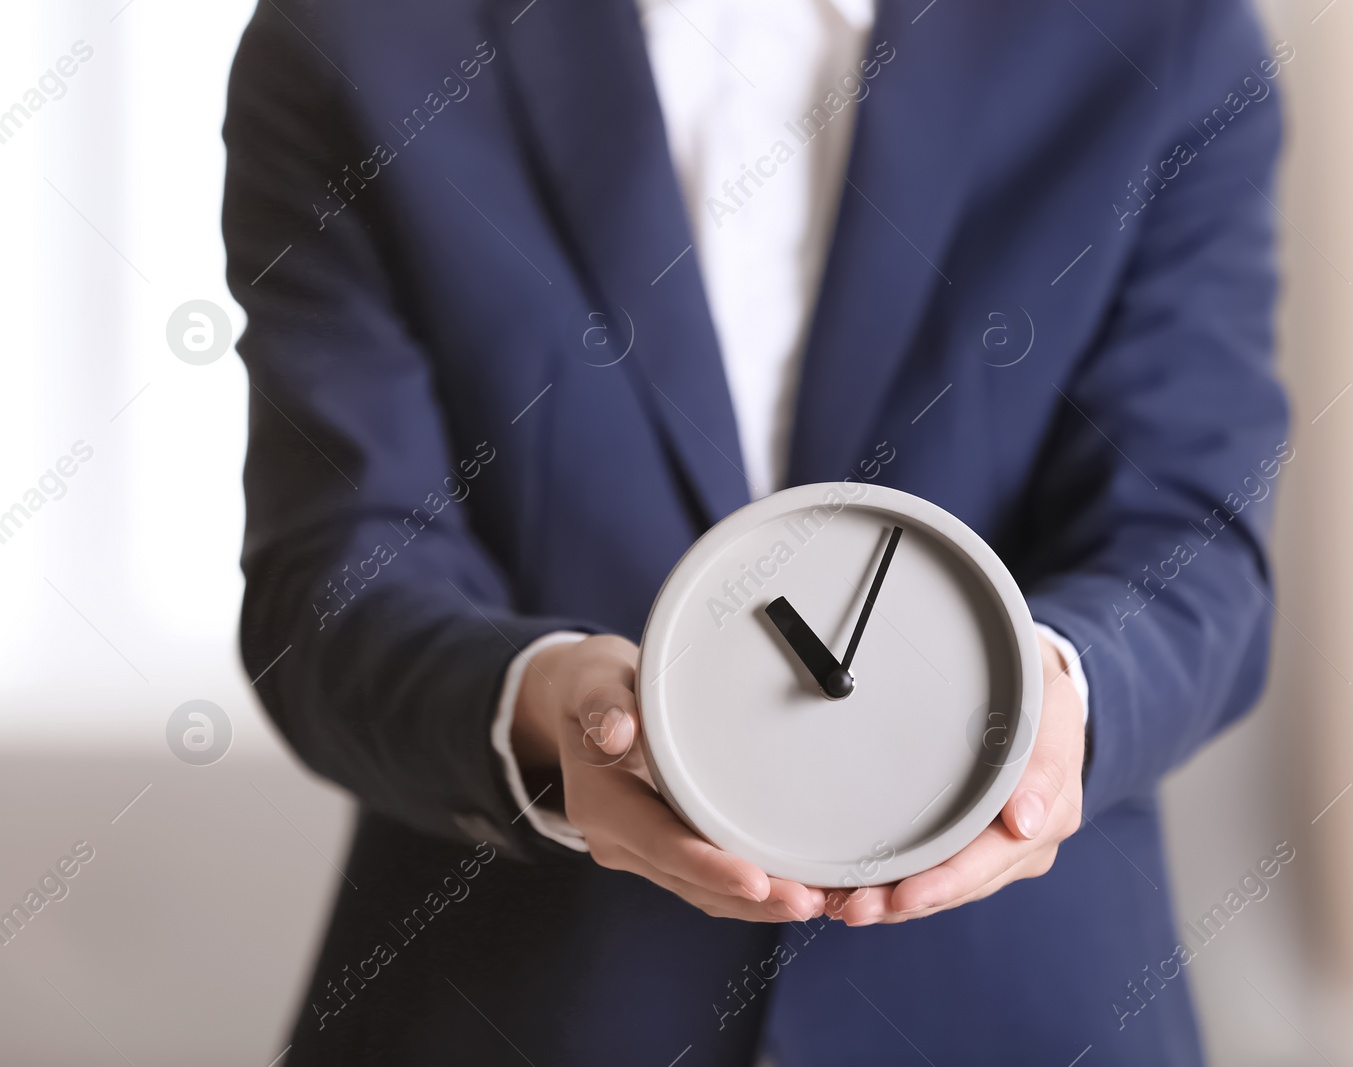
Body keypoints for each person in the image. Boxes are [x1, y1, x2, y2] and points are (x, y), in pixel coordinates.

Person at [222, 0, 1287, 1062]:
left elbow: (1191, 539)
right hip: (519, 1012)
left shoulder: (1161, 32)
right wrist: (538, 709)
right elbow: (328, 582)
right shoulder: (359, 36)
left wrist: (1055, 701)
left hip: (1009, 1008)